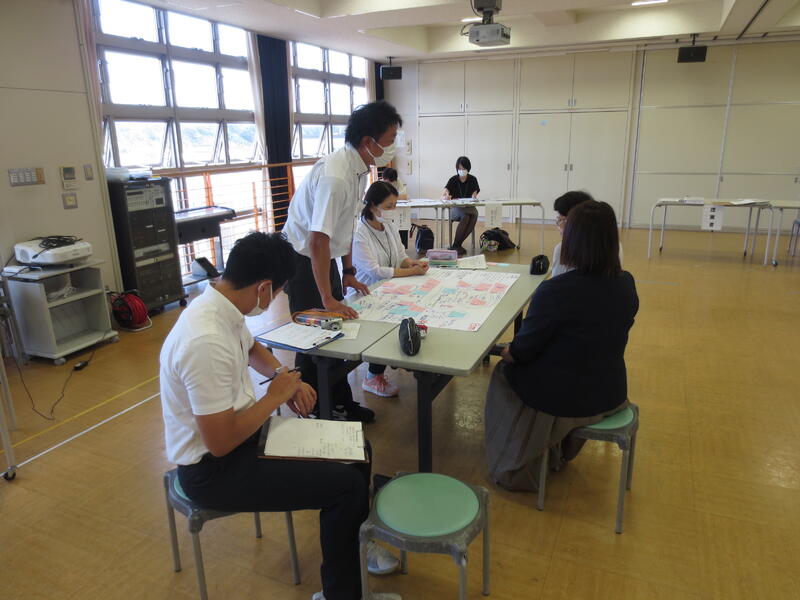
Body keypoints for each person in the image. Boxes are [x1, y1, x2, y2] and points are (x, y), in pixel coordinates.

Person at [159, 232, 401, 600]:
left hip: (240, 442)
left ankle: (353, 545)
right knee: (346, 487)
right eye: (276, 293)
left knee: (357, 449)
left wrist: (280, 375)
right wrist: (275, 397)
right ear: (263, 287)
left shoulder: (221, 304)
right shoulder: (204, 341)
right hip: (213, 470)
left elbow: (250, 346)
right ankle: (342, 593)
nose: (274, 300)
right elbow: (220, 442)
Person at [484, 201, 639, 491]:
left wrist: (506, 351)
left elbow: (522, 352)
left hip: (563, 398)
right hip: (610, 390)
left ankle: (515, 456)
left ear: (573, 240)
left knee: (504, 373)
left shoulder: (556, 291)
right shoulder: (626, 283)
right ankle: (558, 448)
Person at [282, 100, 403, 423]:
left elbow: (346, 225)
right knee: (313, 337)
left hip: (323, 256)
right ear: (368, 141)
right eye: (390, 139)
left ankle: (340, 402)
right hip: (302, 259)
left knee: (335, 330)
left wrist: (348, 272)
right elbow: (317, 240)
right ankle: (315, 410)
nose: (393, 146)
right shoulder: (336, 176)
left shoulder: (358, 168)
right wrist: (327, 297)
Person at [352, 181, 429, 397]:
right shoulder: (359, 232)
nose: (392, 210)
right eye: (388, 206)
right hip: (365, 294)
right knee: (389, 319)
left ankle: (410, 356)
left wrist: (413, 263)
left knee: (421, 305)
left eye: (394, 205)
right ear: (372, 205)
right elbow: (375, 271)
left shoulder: (389, 226)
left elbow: (401, 256)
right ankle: (372, 376)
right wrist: (411, 272)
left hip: (391, 287)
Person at [551, 190, 624, 277]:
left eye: (562, 220)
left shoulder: (562, 249)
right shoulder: (614, 246)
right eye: (558, 220)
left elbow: (556, 281)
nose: (559, 226)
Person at [442, 156, 480, 256]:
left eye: (464, 168)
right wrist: (446, 195)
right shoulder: (453, 179)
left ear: (468, 168)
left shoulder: (473, 179)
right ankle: (456, 244)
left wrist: (474, 196)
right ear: (457, 169)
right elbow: (445, 192)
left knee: (474, 215)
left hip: (468, 207)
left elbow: (475, 193)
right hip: (455, 208)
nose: (462, 170)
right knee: (466, 216)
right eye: (460, 168)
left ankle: (457, 245)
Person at [380, 167, 410, 248]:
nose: (390, 183)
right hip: (385, 211)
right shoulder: (380, 184)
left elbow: (404, 196)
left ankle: (403, 246)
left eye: (391, 181)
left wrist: (390, 198)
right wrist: (394, 197)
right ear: (384, 178)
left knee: (402, 223)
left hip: (397, 208)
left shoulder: (398, 182)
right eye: (388, 181)